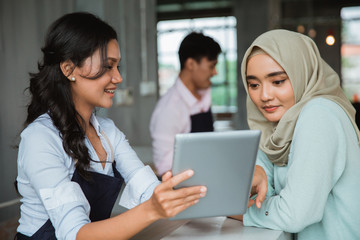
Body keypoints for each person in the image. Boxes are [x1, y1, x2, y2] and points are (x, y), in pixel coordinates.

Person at [15, 12, 207, 240]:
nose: (118, 78)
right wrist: (152, 209)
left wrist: (199, 195)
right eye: (108, 66)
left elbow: (148, 190)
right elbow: (75, 233)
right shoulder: (40, 138)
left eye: (118, 67)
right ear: (69, 69)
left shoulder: (108, 131)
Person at [230, 29, 360, 240]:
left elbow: (295, 214)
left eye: (278, 81)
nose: (264, 96)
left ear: (302, 74)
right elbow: (260, 191)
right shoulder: (274, 127)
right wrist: (260, 171)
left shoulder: (320, 114)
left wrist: (235, 211)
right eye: (254, 85)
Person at [150, 32, 221, 177]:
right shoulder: (169, 109)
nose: (215, 72)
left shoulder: (203, 95)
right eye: (211, 66)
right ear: (191, 64)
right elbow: (164, 166)